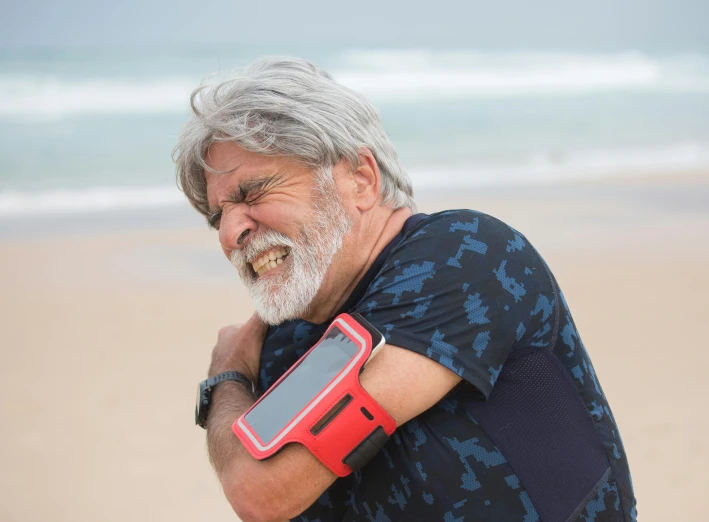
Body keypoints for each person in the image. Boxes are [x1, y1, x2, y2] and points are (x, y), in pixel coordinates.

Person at [175, 57, 637, 522]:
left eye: (253, 194)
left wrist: (227, 376)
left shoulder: (464, 257)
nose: (230, 232)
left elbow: (260, 494)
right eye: (218, 216)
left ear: (361, 179)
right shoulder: (286, 342)